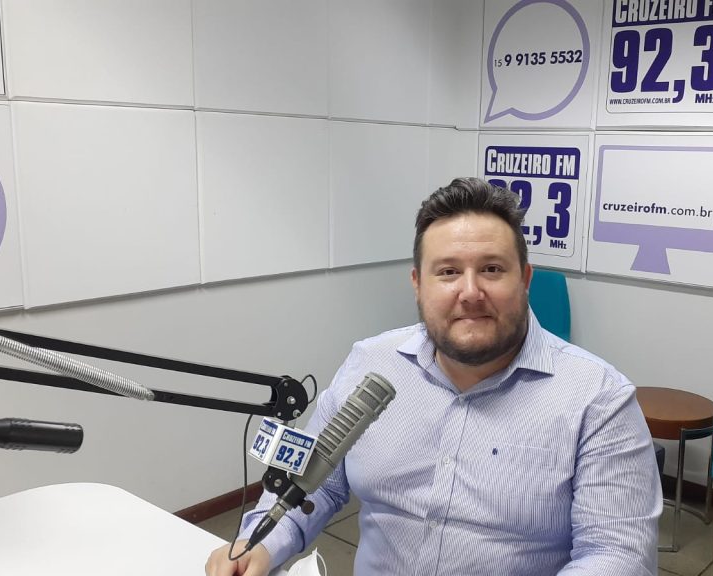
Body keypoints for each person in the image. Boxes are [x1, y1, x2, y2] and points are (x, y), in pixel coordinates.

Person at [205, 177, 662, 575]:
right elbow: (313, 484)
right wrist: (259, 545)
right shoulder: (371, 363)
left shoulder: (599, 399)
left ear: (525, 280)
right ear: (417, 284)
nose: (470, 292)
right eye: (448, 272)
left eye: (492, 269)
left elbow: (617, 555)